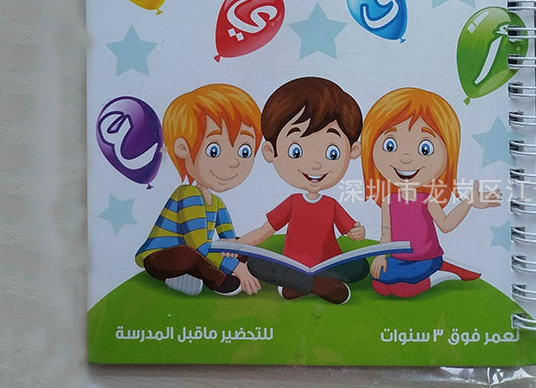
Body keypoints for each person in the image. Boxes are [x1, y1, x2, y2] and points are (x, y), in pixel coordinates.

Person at [233, 77, 367, 305]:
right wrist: (238, 244)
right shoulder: (293, 202)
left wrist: (358, 232)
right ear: (270, 151)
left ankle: (298, 285)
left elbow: (352, 231)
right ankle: (318, 285)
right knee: (256, 263)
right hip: (294, 263)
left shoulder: (331, 204)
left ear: (352, 150)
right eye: (296, 151)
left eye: (332, 153)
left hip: (328, 262)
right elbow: (265, 231)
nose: (315, 165)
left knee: (359, 266)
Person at [361, 87, 502, 298]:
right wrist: (381, 256)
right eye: (390, 145)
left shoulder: (427, 199)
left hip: (426, 258)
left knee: (403, 290)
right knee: (380, 284)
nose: (406, 158)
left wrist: (469, 202)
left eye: (424, 149)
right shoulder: (389, 201)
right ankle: (440, 268)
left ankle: (440, 271)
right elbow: (386, 233)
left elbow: (446, 225)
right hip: (399, 258)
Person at [135, 83, 262, 297]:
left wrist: (236, 252)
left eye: (244, 150)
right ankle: (217, 280)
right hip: (160, 257)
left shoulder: (217, 203)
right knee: (189, 254)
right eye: (214, 150)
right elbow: (199, 246)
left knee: (238, 248)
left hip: (193, 254)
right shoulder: (188, 195)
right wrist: (237, 268)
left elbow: (230, 241)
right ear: (183, 149)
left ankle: (188, 276)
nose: (234, 162)